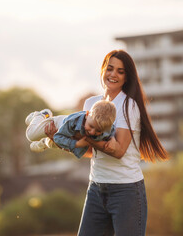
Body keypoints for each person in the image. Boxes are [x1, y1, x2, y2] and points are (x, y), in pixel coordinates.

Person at [44, 49, 169, 236]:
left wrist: (87, 139)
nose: (113, 74)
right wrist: (59, 140)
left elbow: (118, 151)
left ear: (127, 77)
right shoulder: (90, 104)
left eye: (120, 71)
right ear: (103, 70)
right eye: (110, 68)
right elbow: (88, 151)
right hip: (96, 188)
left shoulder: (128, 106)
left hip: (126, 192)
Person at [25, 100, 116, 159]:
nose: (92, 132)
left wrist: (113, 139)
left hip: (67, 136)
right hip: (59, 125)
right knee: (31, 135)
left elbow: (112, 131)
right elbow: (58, 137)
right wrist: (76, 144)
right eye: (91, 126)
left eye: (98, 131)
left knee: (57, 144)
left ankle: (43, 143)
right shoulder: (72, 121)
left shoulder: (105, 126)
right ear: (87, 115)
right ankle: (41, 115)